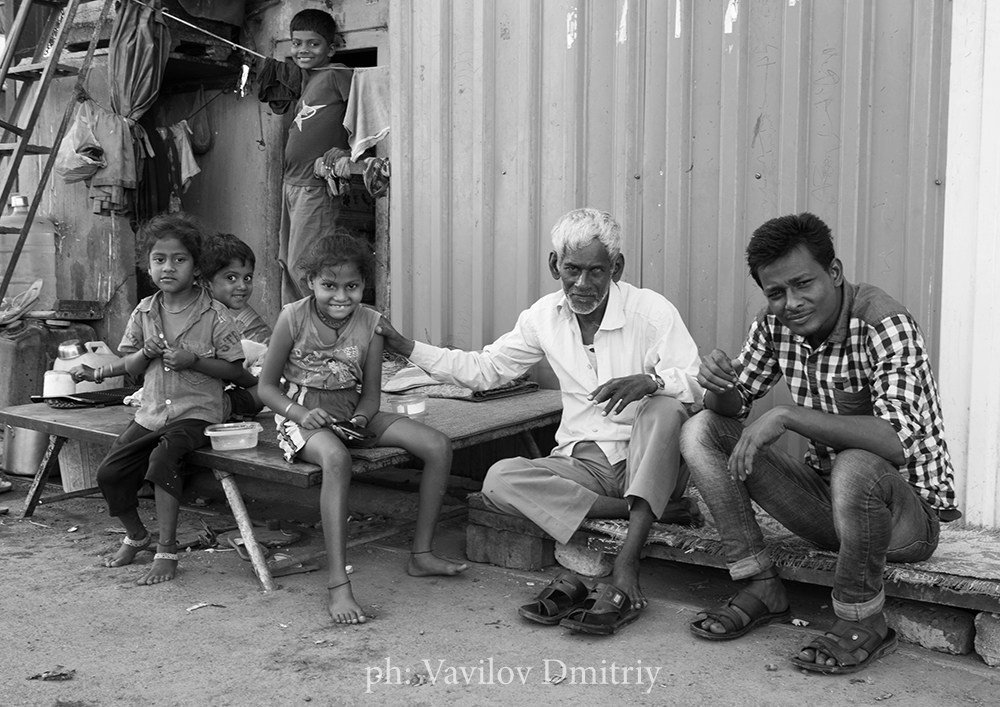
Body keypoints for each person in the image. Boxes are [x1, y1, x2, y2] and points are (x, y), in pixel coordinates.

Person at [377, 208, 703, 634]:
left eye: (596, 272)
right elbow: (485, 369)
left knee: (664, 407)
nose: (582, 284)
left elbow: (696, 384)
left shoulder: (651, 312)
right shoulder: (543, 318)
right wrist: (406, 346)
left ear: (616, 269)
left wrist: (651, 380)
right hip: (583, 464)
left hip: (649, 457)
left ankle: (626, 564)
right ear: (555, 266)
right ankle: (645, 510)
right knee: (499, 480)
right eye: (572, 270)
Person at [681, 212, 959, 674]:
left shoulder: (883, 322)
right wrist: (719, 385)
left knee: (856, 463)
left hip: (906, 519)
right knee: (702, 428)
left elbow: (892, 441)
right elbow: (733, 404)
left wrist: (787, 415)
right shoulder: (775, 323)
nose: (791, 303)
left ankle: (863, 618)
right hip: (831, 507)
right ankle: (759, 584)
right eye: (776, 293)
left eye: (802, 284)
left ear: (834, 273)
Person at [257, 230, 467, 625]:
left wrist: (359, 421)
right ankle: (339, 584)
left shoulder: (371, 323)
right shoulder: (293, 317)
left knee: (438, 445)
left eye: (352, 286)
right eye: (329, 286)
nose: (341, 296)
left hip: (351, 414)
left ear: (364, 285)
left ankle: (421, 554)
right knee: (336, 458)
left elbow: (371, 395)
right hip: (300, 416)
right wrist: (302, 416)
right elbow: (266, 389)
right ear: (311, 283)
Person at [72, 213, 245, 586]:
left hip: (197, 414)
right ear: (147, 264)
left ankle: (167, 550)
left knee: (163, 459)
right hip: (151, 412)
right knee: (110, 472)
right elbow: (130, 364)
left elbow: (236, 371)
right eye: (159, 259)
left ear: (197, 266)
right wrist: (145, 353)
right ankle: (137, 536)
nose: (168, 267)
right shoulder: (145, 311)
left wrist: (195, 361)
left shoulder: (215, 315)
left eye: (179, 259)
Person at [272, 8, 354, 304]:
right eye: (297, 43)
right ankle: (293, 334)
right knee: (286, 262)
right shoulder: (308, 80)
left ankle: (324, 329)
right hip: (291, 184)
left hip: (315, 187)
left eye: (313, 44)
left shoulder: (337, 73)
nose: (303, 50)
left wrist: (351, 148)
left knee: (306, 266)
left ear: (331, 48)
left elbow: (367, 109)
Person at [202, 232, 271, 419]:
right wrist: (255, 383)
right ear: (206, 282)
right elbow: (233, 370)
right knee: (270, 390)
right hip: (204, 402)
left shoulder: (222, 313)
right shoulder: (214, 317)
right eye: (231, 278)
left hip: (207, 394)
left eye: (247, 278)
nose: (242, 285)